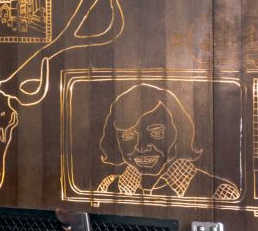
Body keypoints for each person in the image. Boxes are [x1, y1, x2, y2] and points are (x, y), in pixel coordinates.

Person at [94, 84, 242, 202]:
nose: (141, 147)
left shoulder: (220, 192)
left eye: (156, 133)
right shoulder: (108, 187)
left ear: (180, 134)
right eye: (128, 135)